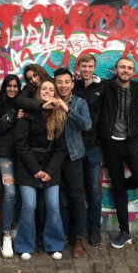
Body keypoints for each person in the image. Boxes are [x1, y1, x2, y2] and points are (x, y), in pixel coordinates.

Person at [14, 79, 68, 261]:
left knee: (53, 206)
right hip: (28, 167)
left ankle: (54, 245)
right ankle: (24, 245)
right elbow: (20, 144)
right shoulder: (28, 113)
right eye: (44, 89)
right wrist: (36, 170)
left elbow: (61, 148)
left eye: (50, 89)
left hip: (50, 167)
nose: (47, 91)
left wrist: (49, 171)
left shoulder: (59, 116)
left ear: (55, 94)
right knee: (29, 206)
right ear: (39, 93)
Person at [99, 57, 138, 249]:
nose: (126, 71)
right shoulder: (106, 87)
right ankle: (124, 231)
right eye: (122, 67)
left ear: (133, 71)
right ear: (116, 69)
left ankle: (119, 187)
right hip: (111, 144)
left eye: (129, 68)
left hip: (131, 143)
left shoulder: (137, 88)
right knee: (120, 190)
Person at [53, 68, 92, 258]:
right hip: (53, 158)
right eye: (59, 82)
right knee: (57, 197)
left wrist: (68, 111)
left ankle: (80, 237)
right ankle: (61, 233)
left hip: (74, 156)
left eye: (66, 82)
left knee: (76, 196)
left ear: (72, 84)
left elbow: (87, 125)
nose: (63, 86)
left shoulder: (79, 103)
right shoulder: (49, 101)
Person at [72, 53, 107, 246]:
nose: (86, 69)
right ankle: (77, 228)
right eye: (83, 66)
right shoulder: (72, 87)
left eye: (90, 66)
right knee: (75, 189)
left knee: (94, 189)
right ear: (79, 67)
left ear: (95, 67)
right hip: (74, 147)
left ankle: (95, 227)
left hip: (93, 147)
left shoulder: (102, 86)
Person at [0, 74, 23, 258]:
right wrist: (14, 116)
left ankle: (17, 229)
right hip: (5, 156)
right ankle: (6, 235)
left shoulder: (24, 103)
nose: (12, 89)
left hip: (22, 156)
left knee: (22, 193)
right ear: (5, 87)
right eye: (9, 86)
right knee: (10, 193)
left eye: (15, 86)